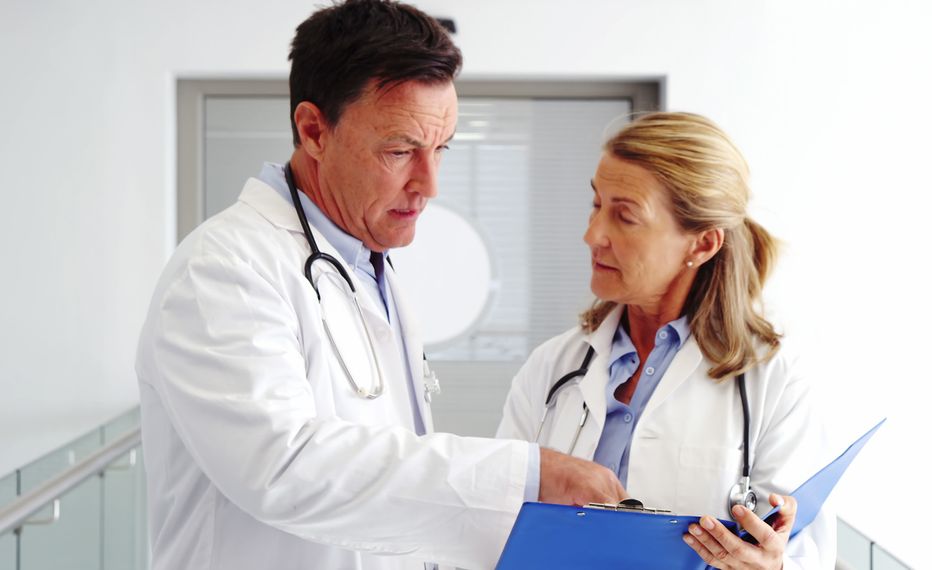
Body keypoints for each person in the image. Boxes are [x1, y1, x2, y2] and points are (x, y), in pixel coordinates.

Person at [135, 1, 624, 569]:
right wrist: (527, 475)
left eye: (441, 149)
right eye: (400, 151)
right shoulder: (224, 270)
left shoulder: (365, 263)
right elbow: (283, 468)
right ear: (314, 130)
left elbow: (390, 479)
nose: (430, 184)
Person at [496, 112, 835, 569]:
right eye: (596, 205)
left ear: (701, 245)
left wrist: (774, 566)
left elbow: (803, 552)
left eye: (625, 216)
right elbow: (493, 517)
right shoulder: (553, 366)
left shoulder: (776, 377)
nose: (593, 235)